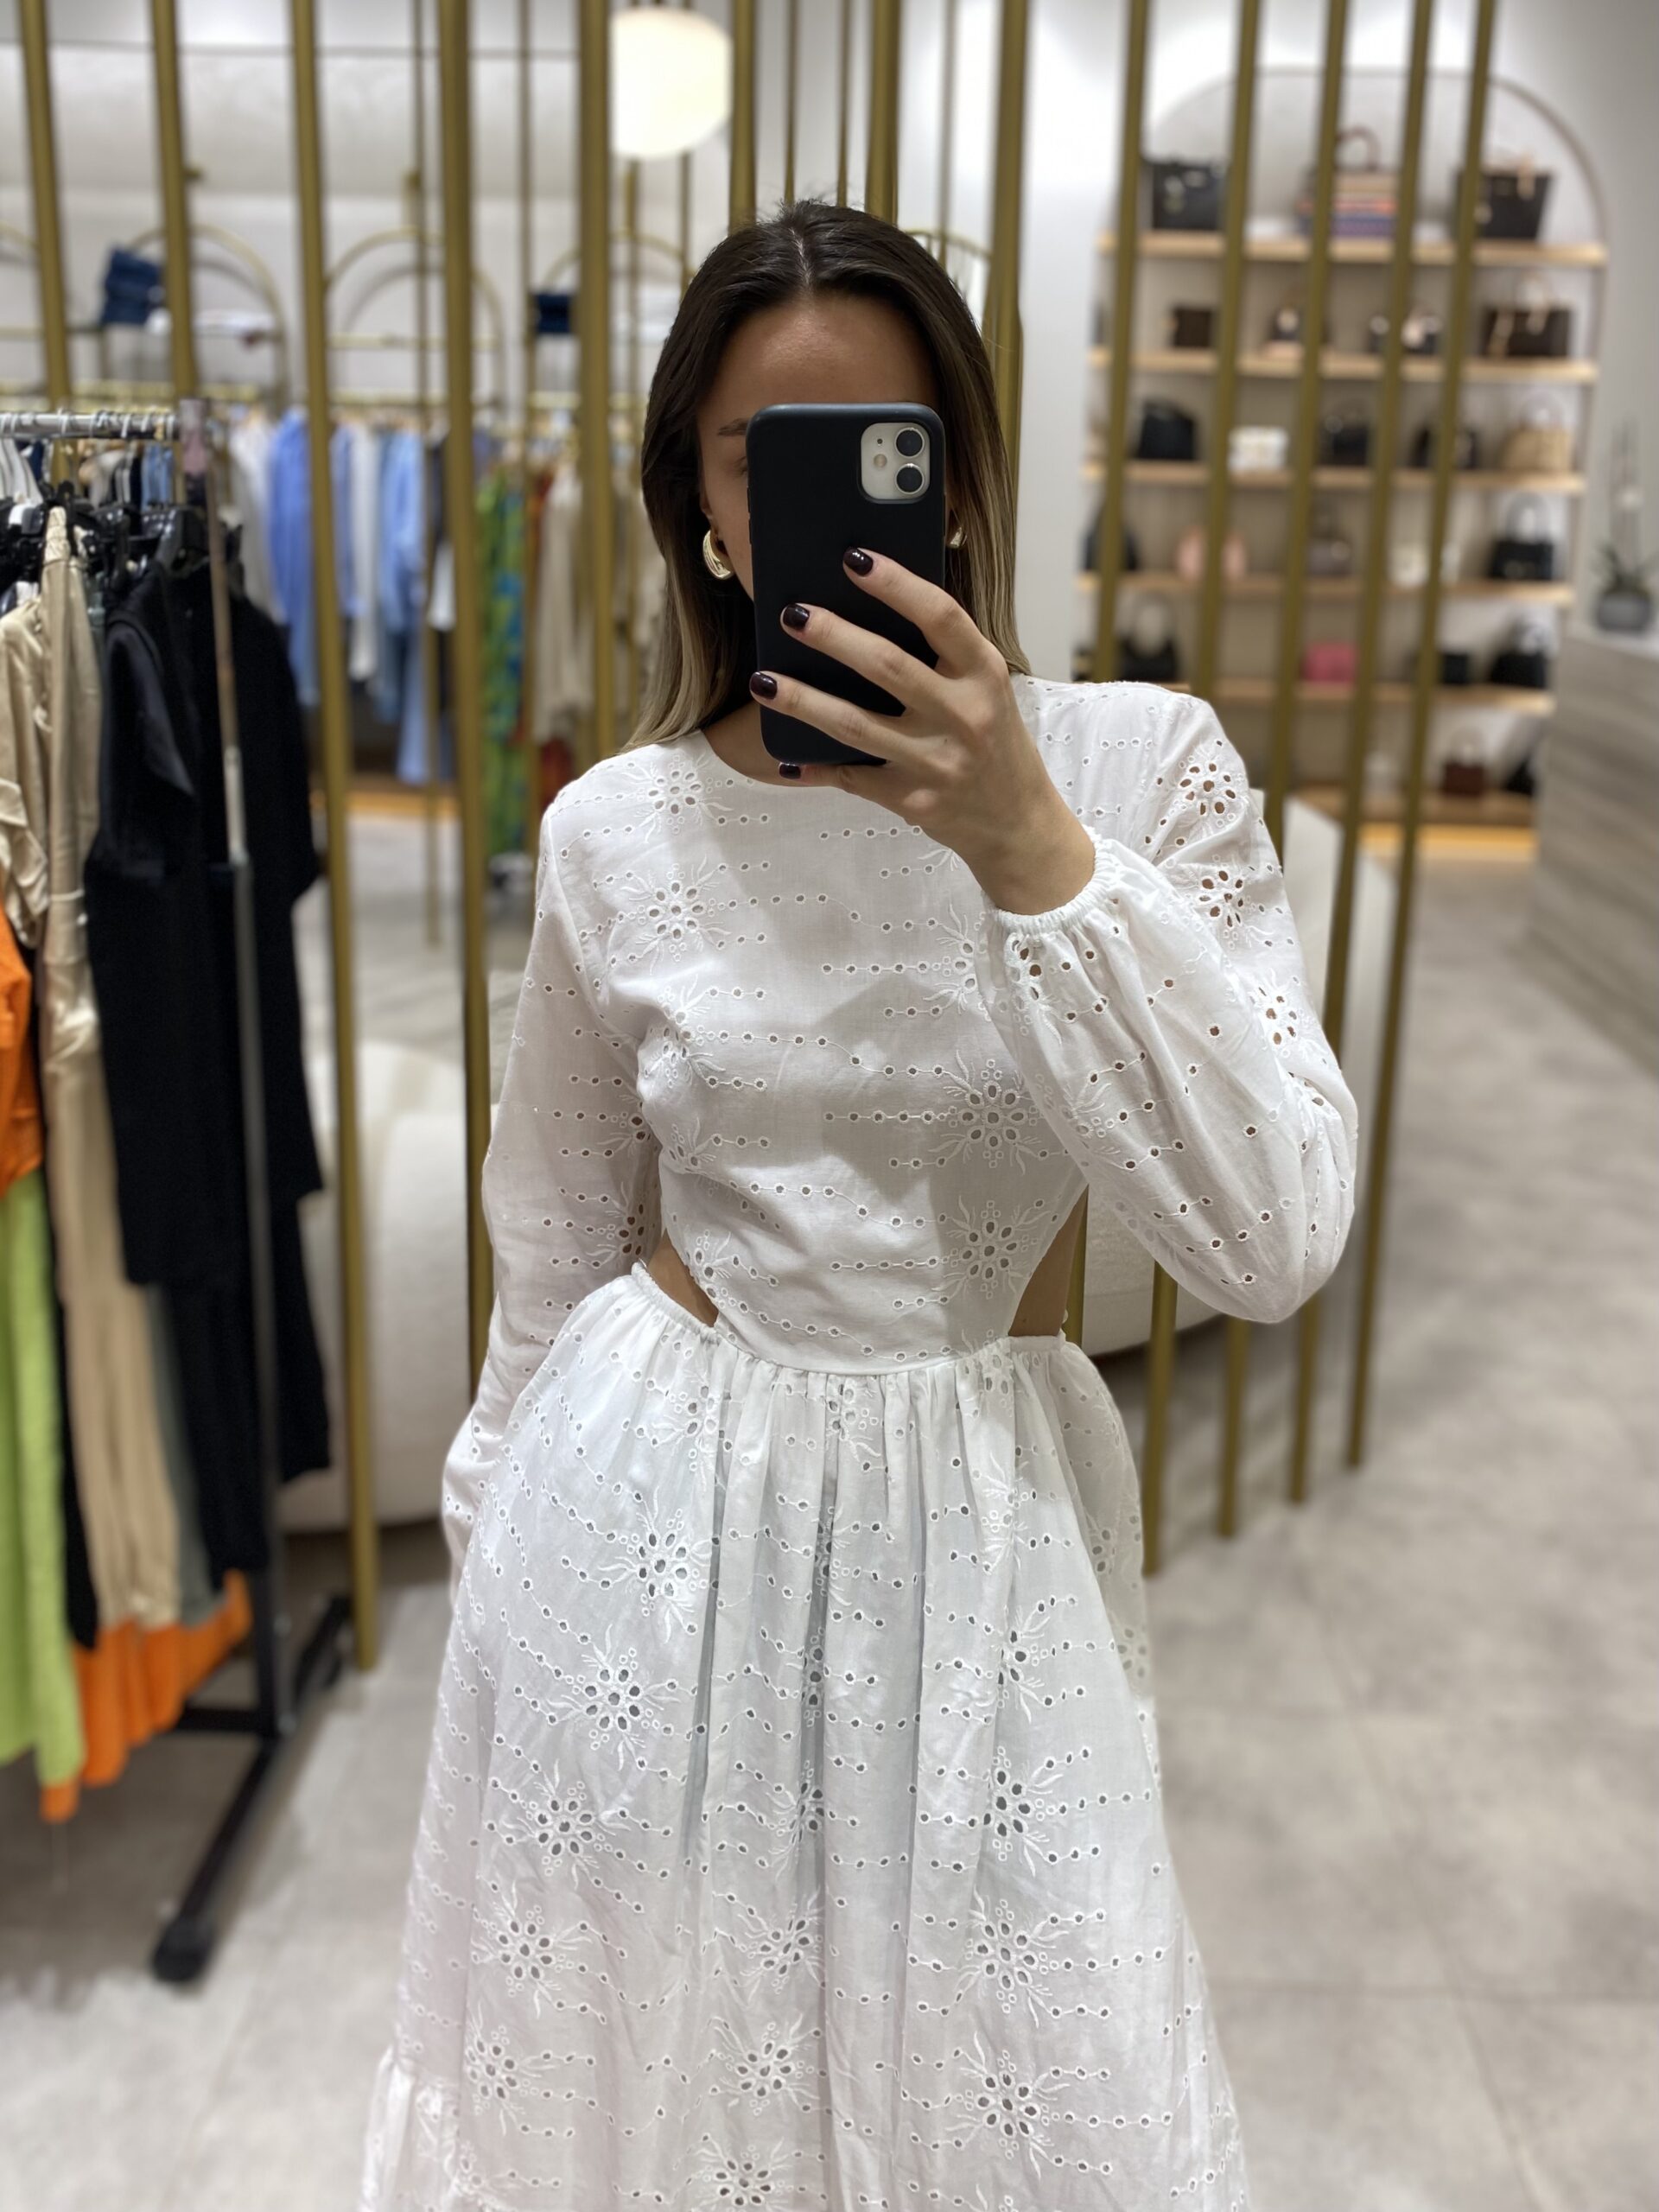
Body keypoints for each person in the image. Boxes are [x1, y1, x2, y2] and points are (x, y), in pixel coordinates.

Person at [358, 199, 1358, 2212]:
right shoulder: (616, 826)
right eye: (761, 452)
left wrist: (1033, 848)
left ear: (958, 474)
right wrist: (500, 1567)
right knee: (667, 2085)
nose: (815, 500)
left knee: (1018, 2069)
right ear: (705, 507)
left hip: (983, 1536)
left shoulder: (1135, 772)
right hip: (648, 1524)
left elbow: (1275, 1231)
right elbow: (552, 1242)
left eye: (883, 445)